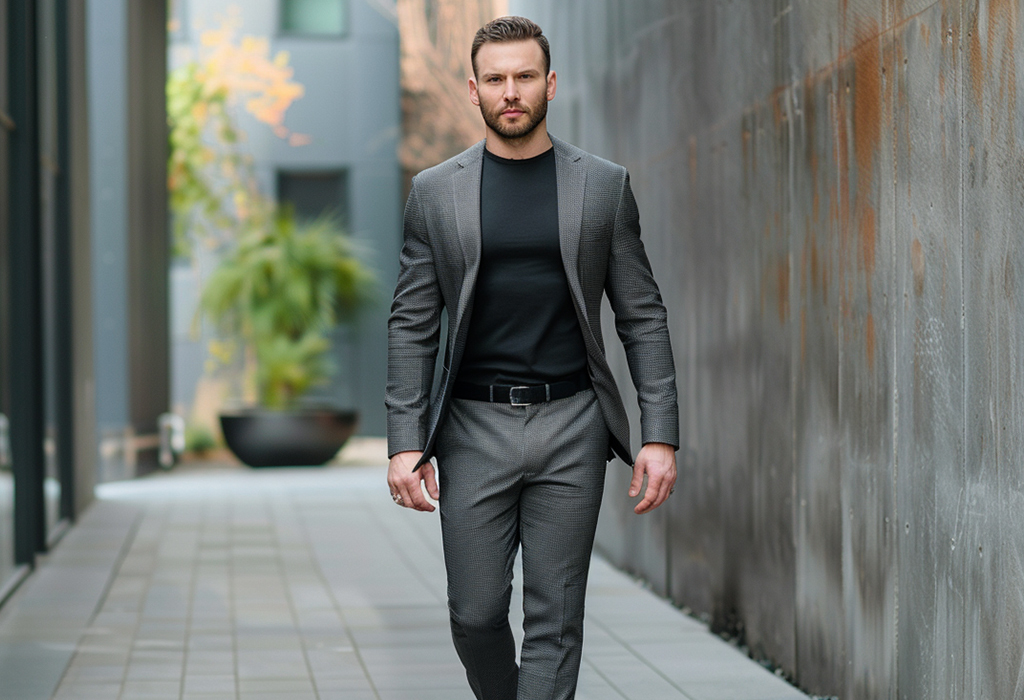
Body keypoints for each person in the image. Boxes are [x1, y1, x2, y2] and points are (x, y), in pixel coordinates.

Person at [386, 15, 678, 700]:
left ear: (549, 83)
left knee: (555, 620)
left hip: (572, 425)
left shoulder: (602, 186)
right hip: (471, 428)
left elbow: (642, 314)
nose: (510, 91)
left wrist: (658, 433)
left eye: (523, 77)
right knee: (476, 615)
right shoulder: (436, 192)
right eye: (496, 79)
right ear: (474, 89)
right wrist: (405, 443)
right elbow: (411, 324)